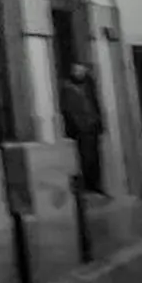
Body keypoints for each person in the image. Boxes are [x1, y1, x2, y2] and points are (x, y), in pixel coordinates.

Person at [59, 61, 106, 195]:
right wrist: (79, 125)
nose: (80, 73)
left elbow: (95, 104)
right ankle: (88, 185)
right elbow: (69, 110)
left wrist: (98, 121)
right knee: (86, 156)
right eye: (77, 71)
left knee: (95, 157)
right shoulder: (68, 88)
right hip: (81, 129)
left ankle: (95, 184)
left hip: (92, 127)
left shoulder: (89, 87)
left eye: (82, 71)